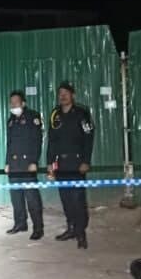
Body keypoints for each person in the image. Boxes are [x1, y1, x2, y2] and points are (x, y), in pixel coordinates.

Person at [46, 82, 95, 249]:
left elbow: (89, 138)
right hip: (61, 164)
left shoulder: (82, 113)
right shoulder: (55, 114)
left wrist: (86, 161)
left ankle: (81, 234)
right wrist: (50, 163)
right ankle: (71, 229)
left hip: (77, 164)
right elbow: (52, 141)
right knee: (66, 199)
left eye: (66, 93)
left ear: (72, 95)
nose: (63, 96)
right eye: (60, 93)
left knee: (78, 200)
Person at [4, 90, 44, 240]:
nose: (13, 105)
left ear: (23, 103)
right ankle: (20, 223)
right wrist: (7, 163)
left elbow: (37, 141)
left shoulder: (33, 117)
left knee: (32, 198)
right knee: (16, 197)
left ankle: (38, 228)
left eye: (16, 102)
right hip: (14, 165)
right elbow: (9, 144)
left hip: (28, 164)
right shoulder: (11, 121)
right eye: (12, 102)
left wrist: (34, 161)